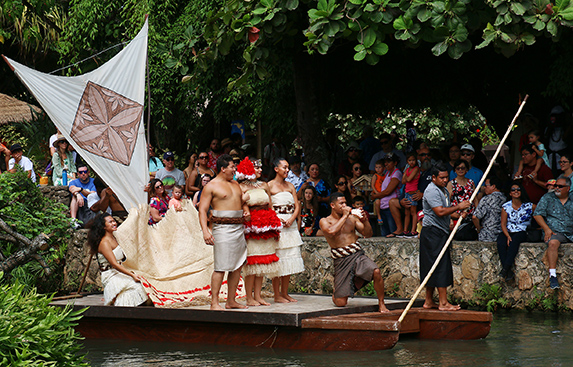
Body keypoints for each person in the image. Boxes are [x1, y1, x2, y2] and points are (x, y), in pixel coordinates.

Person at [319, 192, 389, 313]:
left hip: (356, 254)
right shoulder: (325, 221)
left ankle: (381, 304)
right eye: (341, 203)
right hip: (341, 260)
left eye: (345, 202)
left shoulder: (352, 219)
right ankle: (345, 287)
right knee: (340, 302)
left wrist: (365, 220)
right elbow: (331, 232)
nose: (344, 205)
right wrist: (344, 216)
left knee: (376, 271)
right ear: (332, 205)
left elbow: (368, 234)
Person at [199, 154, 248, 310]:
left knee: (237, 265)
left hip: (238, 227)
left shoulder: (235, 184)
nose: (235, 170)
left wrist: (246, 211)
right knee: (221, 266)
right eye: (232, 167)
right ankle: (214, 302)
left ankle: (231, 301)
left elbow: (241, 202)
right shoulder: (211, 186)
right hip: (222, 228)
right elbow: (202, 210)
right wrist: (205, 231)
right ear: (223, 168)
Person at [420, 163, 470, 311]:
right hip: (432, 233)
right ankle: (443, 303)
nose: (444, 180)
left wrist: (458, 214)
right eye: (441, 178)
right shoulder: (431, 191)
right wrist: (459, 206)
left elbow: (447, 211)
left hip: (440, 231)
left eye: (446, 177)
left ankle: (428, 301)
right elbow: (440, 212)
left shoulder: (443, 190)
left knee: (434, 265)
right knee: (440, 265)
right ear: (433, 177)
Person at [237, 157, 282, 306]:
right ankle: (249, 297)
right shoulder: (241, 187)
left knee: (262, 263)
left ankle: (258, 295)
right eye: (257, 168)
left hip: (266, 224)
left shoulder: (264, 185)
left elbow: (270, 205)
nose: (260, 170)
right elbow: (240, 203)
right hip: (251, 226)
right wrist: (245, 209)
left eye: (260, 168)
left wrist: (275, 226)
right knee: (252, 263)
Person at [87, 213, 150, 306]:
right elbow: (114, 264)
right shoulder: (104, 243)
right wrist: (132, 275)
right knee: (136, 287)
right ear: (104, 226)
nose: (114, 223)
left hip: (121, 271)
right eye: (110, 222)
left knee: (145, 284)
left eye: (114, 221)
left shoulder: (116, 236)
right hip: (111, 275)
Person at [269, 157, 305, 303]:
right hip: (277, 224)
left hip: (289, 223)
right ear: (276, 169)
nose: (287, 170)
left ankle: (285, 293)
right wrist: (277, 219)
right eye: (284, 167)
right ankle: (276, 294)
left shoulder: (290, 186)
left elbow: (297, 205)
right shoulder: (269, 185)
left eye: (288, 167)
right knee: (279, 259)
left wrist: (292, 219)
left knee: (289, 258)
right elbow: (268, 206)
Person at [533, 175, 573, 289]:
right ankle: (553, 275)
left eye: (560, 186)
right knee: (552, 243)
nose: (557, 188)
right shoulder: (547, 197)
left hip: (571, 231)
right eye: (556, 186)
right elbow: (537, 214)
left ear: (568, 188)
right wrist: (546, 229)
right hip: (555, 232)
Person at [388, 147, 433, 237]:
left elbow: (439, 190)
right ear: (418, 158)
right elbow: (405, 184)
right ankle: (400, 229)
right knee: (392, 202)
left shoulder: (433, 172)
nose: (426, 157)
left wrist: (423, 195)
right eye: (423, 155)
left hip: (425, 203)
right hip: (410, 196)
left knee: (413, 212)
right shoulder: (411, 170)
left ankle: (413, 230)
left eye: (428, 155)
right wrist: (401, 199)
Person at [497, 182, 535, 280]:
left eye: (518, 189)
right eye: (513, 190)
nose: (516, 191)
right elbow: (503, 224)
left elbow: (540, 215)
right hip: (508, 230)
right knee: (501, 242)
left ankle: (505, 269)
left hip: (522, 230)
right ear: (510, 193)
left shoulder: (529, 206)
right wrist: (507, 235)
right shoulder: (506, 206)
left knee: (515, 242)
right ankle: (508, 271)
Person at [371, 154, 402, 237]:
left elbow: (388, 191)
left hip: (390, 208)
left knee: (393, 233)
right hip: (383, 206)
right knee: (384, 235)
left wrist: (375, 196)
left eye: (389, 162)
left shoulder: (397, 173)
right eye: (385, 162)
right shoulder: (387, 172)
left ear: (395, 163)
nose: (386, 164)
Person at [472, 176, 507, 242]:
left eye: (486, 185)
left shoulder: (486, 199)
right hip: (502, 235)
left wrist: (479, 229)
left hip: (487, 235)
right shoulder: (505, 199)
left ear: (493, 186)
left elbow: (475, 217)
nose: (484, 188)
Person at [402, 152, 420, 237]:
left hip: (413, 193)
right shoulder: (407, 169)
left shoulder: (416, 169)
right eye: (409, 160)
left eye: (413, 160)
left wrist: (405, 176)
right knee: (407, 213)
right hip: (407, 192)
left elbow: (408, 179)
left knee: (413, 212)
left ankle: (413, 230)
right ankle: (405, 230)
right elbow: (403, 181)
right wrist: (406, 176)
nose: (411, 162)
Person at [371, 159, 385, 226]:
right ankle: (379, 216)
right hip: (377, 193)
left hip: (383, 193)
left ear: (383, 168)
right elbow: (372, 185)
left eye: (380, 167)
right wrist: (376, 192)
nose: (378, 169)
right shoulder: (375, 176)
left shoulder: (385, 176)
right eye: (376, 167)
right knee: (377, 202)